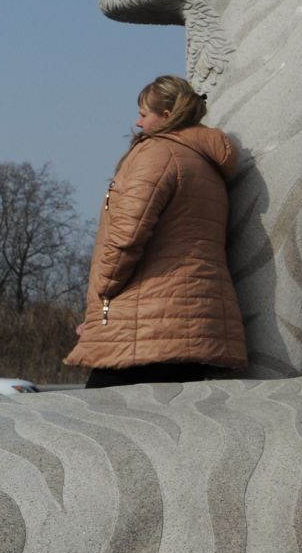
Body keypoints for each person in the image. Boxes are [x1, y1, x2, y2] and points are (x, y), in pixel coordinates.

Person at [66, 75, 249, 387]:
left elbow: (126, 236)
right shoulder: (206, 164)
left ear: (167, 116)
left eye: (144, 114)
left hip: (148, 330)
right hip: (198, 328)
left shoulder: (157, 154)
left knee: (103, 417)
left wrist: (103, 297)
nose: (137, 123)